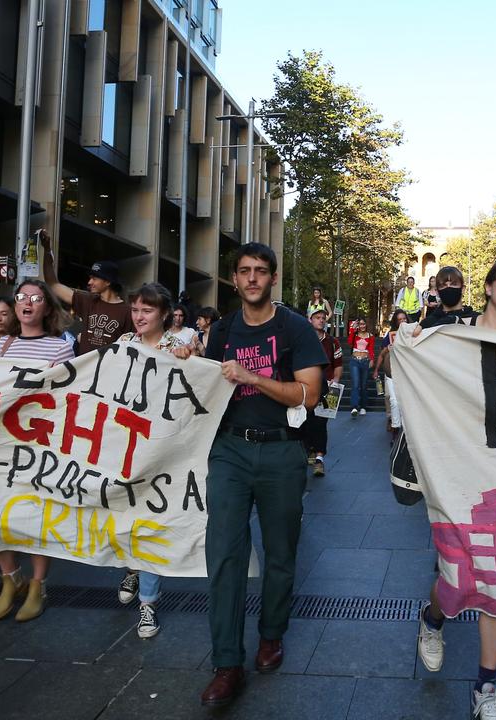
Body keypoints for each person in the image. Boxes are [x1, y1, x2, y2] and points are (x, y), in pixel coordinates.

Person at [170, 243, 325, 706]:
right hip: (230, 452)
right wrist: (184, 361)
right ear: (233, 280)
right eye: (244, 271)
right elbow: (207, 379)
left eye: (260, 271)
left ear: (272, 279)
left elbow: (310, 395)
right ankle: (226, 663)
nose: (252, 278)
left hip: (282, 453)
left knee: (280, 553)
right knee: (224, 555)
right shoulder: (223, 330)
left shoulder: (295, 328)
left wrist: (254, 378)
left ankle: (271, 634)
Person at [415, 256, 496, 720]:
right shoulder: (449, 331)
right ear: (488, 286)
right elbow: (397, 367)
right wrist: (404, 341)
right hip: (454, 471)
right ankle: (433, 619)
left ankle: (484, 689)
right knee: (457, 580)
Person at [0, 280, 75, 623]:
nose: (27, 303)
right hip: (1, 442)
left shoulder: (59, 348)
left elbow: (65, 396)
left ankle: (38, 585)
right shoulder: (2, 345)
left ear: (47, 308)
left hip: (39, 442)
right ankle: (10, 578)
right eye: (22, 297)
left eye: (36, 298)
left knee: (38, 515)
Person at [110, 283, 194, 639]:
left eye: (146, 310)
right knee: (125, 521)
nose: (139, 316)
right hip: (123, 448)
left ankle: (148, 604)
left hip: (162, 452)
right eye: (135, 310)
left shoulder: (179, 348)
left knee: (151, 525)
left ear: (163, 314)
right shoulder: (124, 343)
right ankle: (131, 566)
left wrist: (193, 359)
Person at [39, 229, 131, 355]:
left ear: (108, 282)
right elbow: (53, 284)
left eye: (94, 278)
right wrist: (47, 250)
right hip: (84, 371)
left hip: (108, 371)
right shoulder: (88, 301)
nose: (89, 282)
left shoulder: (128, 312)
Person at [304, 306, 343, 476]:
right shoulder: (303, 339)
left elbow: (338, 364)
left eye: (323, 317)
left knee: (322, 422)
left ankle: (319, 458)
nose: (321, 320)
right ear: (310, 320)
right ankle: (310, 450)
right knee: (306, 420)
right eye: (317, 317)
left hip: (328, 386)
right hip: (307, 385)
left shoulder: (333, 342)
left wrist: (336, 380)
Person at [373, 310, 408, 442]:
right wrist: (377, 369)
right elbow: (382, 354)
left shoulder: (413, 333)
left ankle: (405, 430)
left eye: (404, 319)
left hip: (406, 374)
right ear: (396, 321)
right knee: (392, 400)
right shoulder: (390, 334)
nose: (403, 321)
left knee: (403, 401)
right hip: (391, 374)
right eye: (400, 319)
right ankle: (395, 428)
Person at [346, 319, 375, 417]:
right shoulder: (355, 334)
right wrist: (352, 330)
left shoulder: (370, 336)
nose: (362, 326)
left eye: (364, 324)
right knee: (356, 384)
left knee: (364, 385)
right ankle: (354, 407)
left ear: (366, 325)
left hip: (365, 361)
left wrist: (372, 359)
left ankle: (363, 407)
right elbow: (349, 342)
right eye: (360, 324)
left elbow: (370, 349)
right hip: (354, 361)